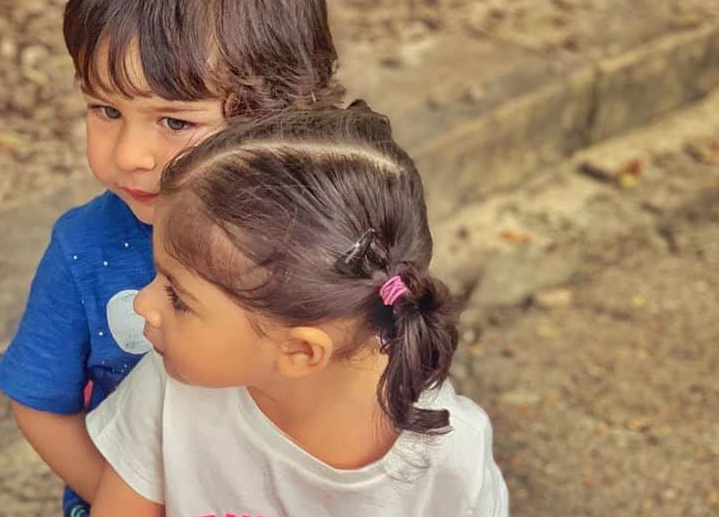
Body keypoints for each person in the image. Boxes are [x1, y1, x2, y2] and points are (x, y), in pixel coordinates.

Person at [0, 0, 344, 516]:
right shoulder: (83, 248)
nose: (130, 153)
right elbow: (40, 406)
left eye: (175, 121)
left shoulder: (326, 235)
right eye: (106, 110)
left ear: (278, 111)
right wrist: (134, 503)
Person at [85, 103, 510, 517]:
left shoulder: (451, 458)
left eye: (178, 296)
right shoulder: (169, 388)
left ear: (300, 352)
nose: (143, 303)